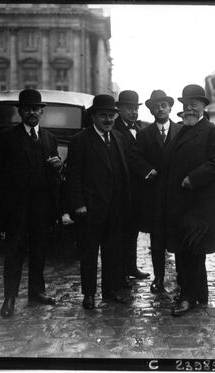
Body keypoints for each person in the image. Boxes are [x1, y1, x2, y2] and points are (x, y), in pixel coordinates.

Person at [154, 84, 215, 316]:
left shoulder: (212, 132)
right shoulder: (182, 131)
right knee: (184, 251)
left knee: (192, 252)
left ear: (203, 107)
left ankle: (188, 298)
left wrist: (193, 179)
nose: (189, 109)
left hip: (200, 207)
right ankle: (199, 294)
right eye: (186, 105)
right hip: (180, 205)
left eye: (194, 105)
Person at [0, 89, 62, 318]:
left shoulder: (50, 139)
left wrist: (57, 167)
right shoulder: (7, 137)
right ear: (20, 112)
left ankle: (36, 292)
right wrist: (3, 208)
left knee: (40, 250)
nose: (32, 112)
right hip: (17, 208)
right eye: (27, 109)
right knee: (14, 252)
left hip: (42, 207)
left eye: (36, 108)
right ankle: (9, 298)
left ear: (42, 111)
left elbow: (55, 175)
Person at [65, 94, 131, 310]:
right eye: (103, 115)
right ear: (93, 116)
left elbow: (123, 173)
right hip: (91, 208)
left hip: (115, 208)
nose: (108, 120)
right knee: (89, 253)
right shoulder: (80, 140)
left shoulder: (119, 138)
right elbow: (73, 176)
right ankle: (89, 294)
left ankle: (110, 291)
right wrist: (78, 204)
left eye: (111, 115)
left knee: (113, 252)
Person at [129, 90, 182, 293]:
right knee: (157, 239)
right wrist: (147, 170)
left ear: (170, 108)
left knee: (178, 236)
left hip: (177, 194)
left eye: (164, 105)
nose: (160, 109)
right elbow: (134, 157)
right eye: (156, 106)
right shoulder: (143, 134)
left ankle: (181, 276)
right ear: (151, 110)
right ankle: (159, 277)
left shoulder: (181, 131)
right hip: (154, 196)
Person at [114, 90, 150, 286]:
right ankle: (121, 273)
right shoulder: (115, 128)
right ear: (119, 109)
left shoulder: (139, 128)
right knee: (121, 233)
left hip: (137, 191)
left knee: (133, 231)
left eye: (135, 108)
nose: (133, 112)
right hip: (121, 189)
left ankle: (131, 267)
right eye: (129, 108)